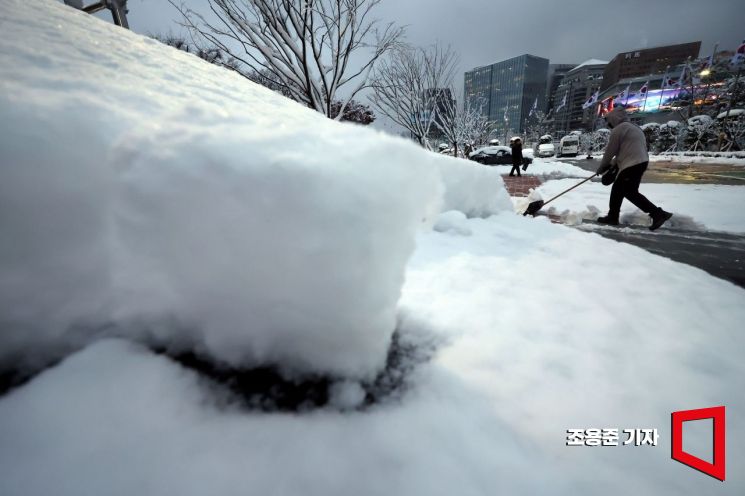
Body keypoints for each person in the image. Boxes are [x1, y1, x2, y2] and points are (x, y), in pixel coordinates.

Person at [596, 106, 672, 231]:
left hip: (632, 163)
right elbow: (624, 151)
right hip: (641, 162)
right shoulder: (634, 128)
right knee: (619, 189)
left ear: (614, 119)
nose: (609, 125)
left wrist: (602, 168)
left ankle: (658, 214)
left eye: (609, 122)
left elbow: (610, 152)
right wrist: (612, 166)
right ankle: (613, 216)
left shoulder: (619, 129)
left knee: (627, 191)